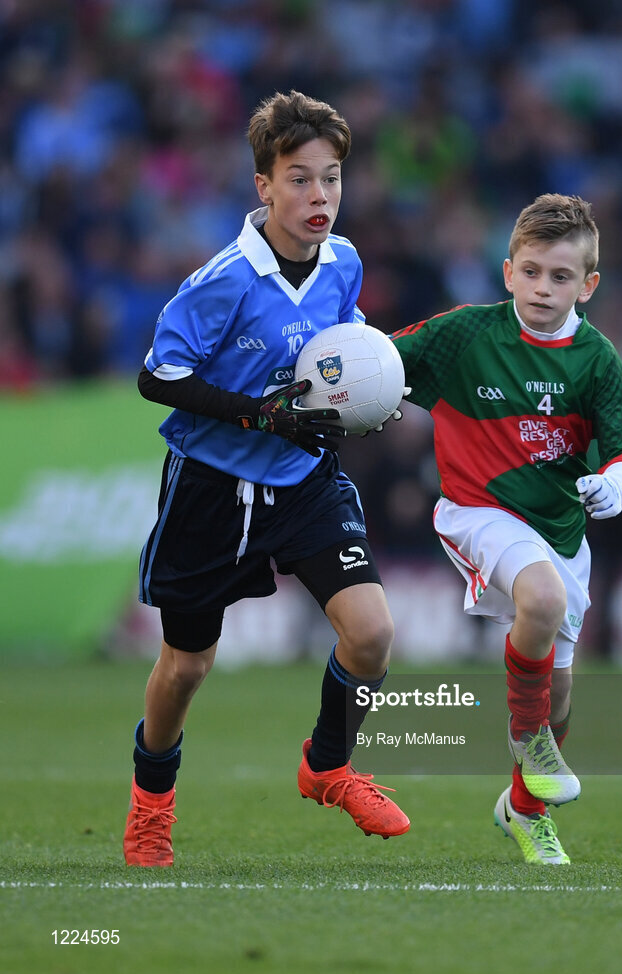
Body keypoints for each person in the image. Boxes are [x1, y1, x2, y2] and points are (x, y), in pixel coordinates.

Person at [124, 90, 410, 868]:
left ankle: (328, 767)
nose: (319, 196)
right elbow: (157, 376)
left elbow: (337, 352)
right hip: (212, 489)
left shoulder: (343, 261)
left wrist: (363, 394)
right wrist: (261, 415)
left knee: (372, 634)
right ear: (264, 185)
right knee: (186, 666)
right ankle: (151, 804)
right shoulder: (225, 279)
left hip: (304, 481)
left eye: (331, 179)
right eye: (299, 179)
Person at [390, 194, 622, 864]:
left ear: (587, 285)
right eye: (531, 272)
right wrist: (346, 391)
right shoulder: (464, 333)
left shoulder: (596, 358)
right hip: (477, 509)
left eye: (560, 276)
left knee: (560, 695)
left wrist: (619, 479)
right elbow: (378, 362)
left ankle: (524, 807)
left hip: (560, 531)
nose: (543, 288)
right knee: (542, 600)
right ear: (508, 272)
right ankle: (528, 739)